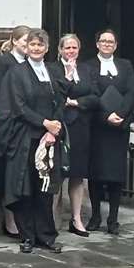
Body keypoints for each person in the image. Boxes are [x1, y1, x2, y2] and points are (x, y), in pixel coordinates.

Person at [0, 29, 65, 254]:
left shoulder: (53, 71)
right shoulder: (16, 73)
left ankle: (46, 236)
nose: (36, 48)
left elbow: (61, 100)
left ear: (46, 48)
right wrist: (44, 122)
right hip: (24, 138)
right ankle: (27, 236)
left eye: (40, 45)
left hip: (47, 140)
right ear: (26, 48)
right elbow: (18, 106)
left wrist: (53, 129)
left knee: (45, 190)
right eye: (32, 44)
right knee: (24, 189)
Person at [85, 28, 134, 235]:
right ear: (97, 44)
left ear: (115, 45)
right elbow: (91, 93)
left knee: (116, 175)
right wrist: (106, 115)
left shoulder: (125, 65)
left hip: (119, 129)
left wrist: (121, 115)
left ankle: (113, 219)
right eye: (103, 41)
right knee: (96, 174)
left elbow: (131, 91)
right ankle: (96, 215)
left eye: (111, 42)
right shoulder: (88, 66)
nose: (107, 44)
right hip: (98, 127)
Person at [0, 25, 30, 238]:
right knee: (6, 176)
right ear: (14, 41)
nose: (28, 45)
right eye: (25, 41)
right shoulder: (3, 63)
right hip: (9, 127)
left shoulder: (31, 64)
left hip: (26, 129)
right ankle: (9, 221)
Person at [56, 33, 97, 237]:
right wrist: (68, 77)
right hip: (61, 125)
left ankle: (76, 218)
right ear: (60, 50)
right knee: (56, 173)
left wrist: (76, 102)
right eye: (67, 48)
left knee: (78, 174)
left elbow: (95, 95)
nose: (71, 51)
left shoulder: (87, 69)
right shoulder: (52, 68)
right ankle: (52, 219)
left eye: (74, 48)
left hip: (81, 126)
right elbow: (55, 94)